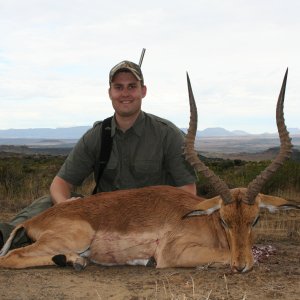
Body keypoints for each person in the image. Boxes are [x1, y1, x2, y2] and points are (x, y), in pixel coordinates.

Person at [0, 60, 197, 249]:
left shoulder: (167, 134)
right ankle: (4, 237)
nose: (125, 93)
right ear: (110, 93)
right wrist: (64, 206)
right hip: (104, 219)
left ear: (143, 91)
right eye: (118, 87)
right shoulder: (97, 136)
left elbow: (188, 193)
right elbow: (59, 184)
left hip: (152, 223)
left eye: (132, 86)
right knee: (46, 203)